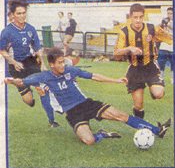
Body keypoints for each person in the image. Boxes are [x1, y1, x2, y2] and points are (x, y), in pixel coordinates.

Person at [4, 48, 171, 145]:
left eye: (64, 61)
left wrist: (115, 80)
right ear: (52, 64)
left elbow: (95, 76)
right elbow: (23, 81)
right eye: (60, 62)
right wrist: (11, 81)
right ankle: (103, 134)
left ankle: (158, 130)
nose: (63, 65)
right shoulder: (44, 76)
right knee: (89, 141)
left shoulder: (71, 71)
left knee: (121, 115)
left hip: (86, 104)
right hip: (73, 113)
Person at [0, 0, 58, 128]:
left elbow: (37, 48)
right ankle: (27, 94)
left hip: (30, 62)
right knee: (29, 101)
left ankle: (52, 121)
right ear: (12, 15)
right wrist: (14, 62)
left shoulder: (31, 29)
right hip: (16, 67)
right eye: (19, 13)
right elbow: (2, 50)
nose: (22, 16)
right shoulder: (7, 31)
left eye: (23, 13)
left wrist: (42, 63)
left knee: (41, 89)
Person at [114, 3, 173, 119]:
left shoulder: (152, 28)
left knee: (159, 94)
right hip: (135, 68)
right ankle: (140, 125)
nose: (138, 20)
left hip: (150, 66)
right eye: (135, 17)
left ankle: (153, 89)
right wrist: (129, 48)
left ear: (143, 16)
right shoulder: (124, 32)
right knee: (138, 105)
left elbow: (169, 38)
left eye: (141, 17)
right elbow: (116, 55)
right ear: (130, 17)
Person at [157, 7, 173, 84]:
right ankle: (161, 77)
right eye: (168, 13)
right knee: (161, 62)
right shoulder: (165, 21)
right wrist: (162, 24)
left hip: (172, 45)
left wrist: (168, 25)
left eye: (171, 13)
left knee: (173, 63)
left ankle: (173, 78)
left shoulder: (170, 23)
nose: (169, 15)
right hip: (164, 45)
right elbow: (158, 28)